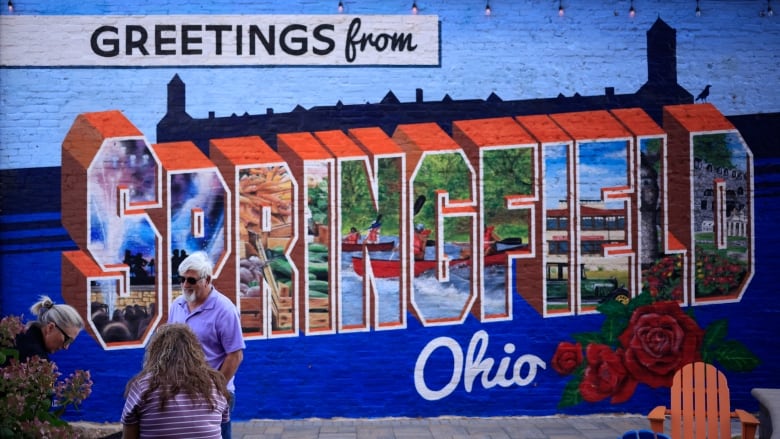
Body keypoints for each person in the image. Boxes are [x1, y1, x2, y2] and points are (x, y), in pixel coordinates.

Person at [168, 251, 245, 439]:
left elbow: (235, 355)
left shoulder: (225, 310)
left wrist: (214, 390)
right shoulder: (176, 305)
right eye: (182, 279)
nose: (186, 285)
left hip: (213, 394)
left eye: (192, 280)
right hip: (181, 393)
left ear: (207, 279)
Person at [121, 323, 230, 439]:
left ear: (154, 353)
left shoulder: (142, 386)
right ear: (196, 353)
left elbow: (129, 435)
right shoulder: (215, 386)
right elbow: (220, 423)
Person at [6, 295, 84, 364]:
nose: (66, 347)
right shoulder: (37, 362)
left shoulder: (14, 336)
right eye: (67, 340)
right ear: (50, 328)